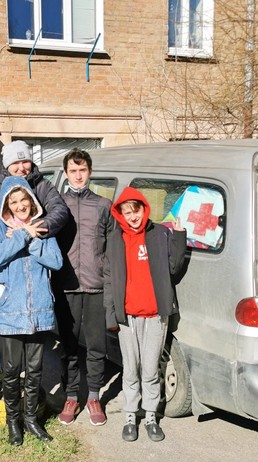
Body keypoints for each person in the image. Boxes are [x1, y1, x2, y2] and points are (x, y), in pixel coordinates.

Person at [0, 176, 63, 446]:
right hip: (8, 311)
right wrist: (21, 234)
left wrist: (30, 237)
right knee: (10, 370)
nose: (20, 206)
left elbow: (56, 261)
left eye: (24, 200)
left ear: (31, 200)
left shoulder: (41, 227)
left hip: (38, 310)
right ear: (6, 204)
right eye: (14, 201)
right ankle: (13, 421)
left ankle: (30, 419)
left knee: (35, 369)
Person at [104, 187, 186, 443]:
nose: (132, 216)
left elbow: (173, 267)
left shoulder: (160, 234)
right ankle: (130, 416)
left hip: (155, 315)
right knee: (130, 370)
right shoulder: (115, 239)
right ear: (121, 214)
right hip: (127, 316)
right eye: (126, 212)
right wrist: (111, 315)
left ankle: (150, 416)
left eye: (135, 210)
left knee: (150, 370)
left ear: (144, 208)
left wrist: (180, 236)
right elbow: (108, 280)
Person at [52, 148, 113, 426]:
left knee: (97, 347)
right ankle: (72, 395)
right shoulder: (57, 205)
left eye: (83, 170)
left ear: (90, 171)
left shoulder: (103, 204)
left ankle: (94, 395)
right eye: (73, 171)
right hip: (65, 286)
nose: (78, 176)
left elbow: (113, 247)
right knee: (68, 346)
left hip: (96, 285)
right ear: (65, 174)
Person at [0, 140, 69, 238]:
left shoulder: (43, 185)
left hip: (36, 247)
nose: (21, 168)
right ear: (6, 165)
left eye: (25, 162)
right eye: (15, 163)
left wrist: (32, 228)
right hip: (4, 247)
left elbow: (60, 210)